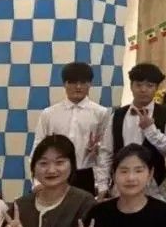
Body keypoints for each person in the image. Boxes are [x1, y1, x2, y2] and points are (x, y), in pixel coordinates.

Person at [97, 63, 166, 199]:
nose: (143, 90)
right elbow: (106, 152)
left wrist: (151, 130)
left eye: (149, 86)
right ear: (131, 86)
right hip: (121, 184)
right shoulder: (117, 115)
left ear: (156, 88)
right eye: (139, 85)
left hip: (154, 187)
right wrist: (102, 186)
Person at [31, 62, 108, 195]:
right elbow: (38, 147)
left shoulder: (101, 113)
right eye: (72, 82)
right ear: (64, 84)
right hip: (55, 172)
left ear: (90, 84)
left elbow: (105, 151)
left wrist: (102, 185)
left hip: (85, 174)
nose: (78, 87)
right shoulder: (49, 113)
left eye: (83, 82)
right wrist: (37, 182)